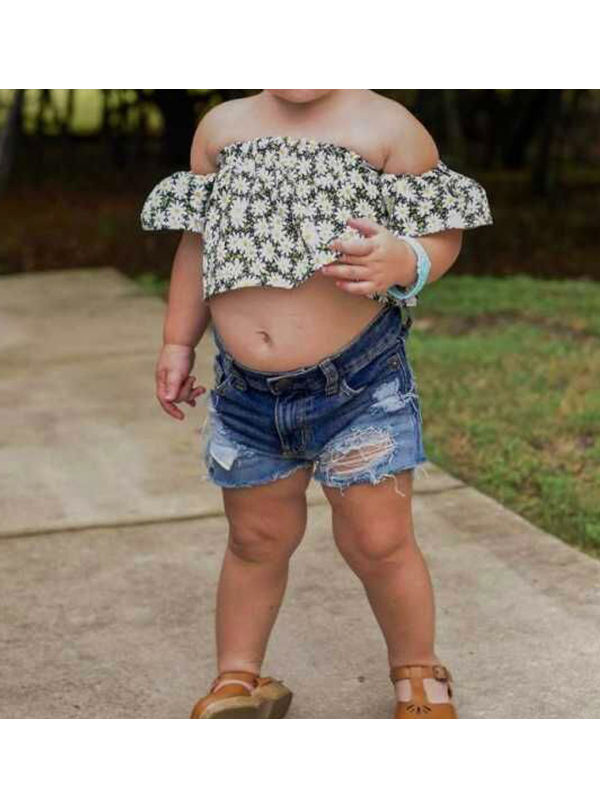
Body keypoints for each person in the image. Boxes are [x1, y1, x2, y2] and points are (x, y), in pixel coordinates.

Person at [140, 89, 493, 719]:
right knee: (255, 538)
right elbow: (198, 247)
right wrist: (176, 341)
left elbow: (443, 230)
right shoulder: (221, 129)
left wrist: (406, 259)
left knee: (378, 540)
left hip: (359, 387)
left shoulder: (386, 125)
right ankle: (238, 679)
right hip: (247, 393)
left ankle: (417, 669)